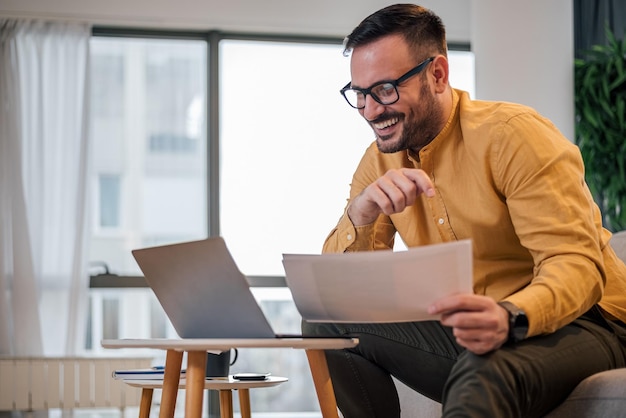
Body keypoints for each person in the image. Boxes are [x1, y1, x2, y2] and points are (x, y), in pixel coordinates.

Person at [301, 3, 626, 417]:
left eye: (385, 90)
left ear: (437, 74)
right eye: (360, 94)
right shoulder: (379, 161)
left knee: (484, 366)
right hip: (474, 331)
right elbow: (338, 296)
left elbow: (576, 264)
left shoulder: (512, 136)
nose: (370, 110)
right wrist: (359, 215)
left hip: (584, 324)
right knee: (325, 326)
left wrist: (509, 317)